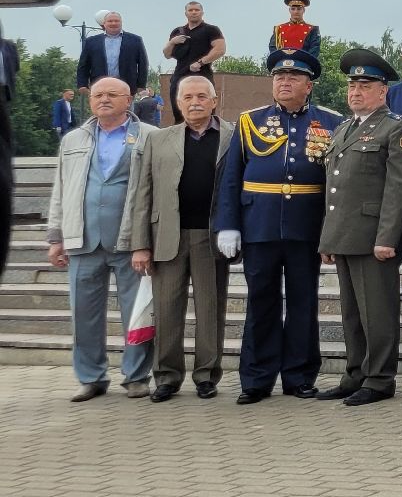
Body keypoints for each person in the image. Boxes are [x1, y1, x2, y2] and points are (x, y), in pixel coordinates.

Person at [211, 49, 339, 403]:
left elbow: (335, 183)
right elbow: (231, 178)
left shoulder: (330, 122)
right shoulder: (250, 121)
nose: (284, 82)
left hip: (305, 226)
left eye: (293, 78)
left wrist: (332, 230)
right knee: (261, 302)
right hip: (260, 225)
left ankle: (299, 376)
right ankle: (256, 378)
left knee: (303, 303)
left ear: (308, 85)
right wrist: (228, 225)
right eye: (279, 77)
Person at [119, 74, 232, 402]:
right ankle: (167, 377)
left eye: (201, 96)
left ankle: (206, 375)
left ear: (214, 101)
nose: (195, 102)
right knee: (167, 310)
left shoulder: (233, 136)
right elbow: (142, 193)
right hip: (166, 236)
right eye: (188, 97)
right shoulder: (158, 140)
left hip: (211, 238)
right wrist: (139, 244)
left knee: (211, 309)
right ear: (177, 103)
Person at [316, 49, 402, 406]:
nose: (356, 92)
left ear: (382, 90)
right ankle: (355, 372)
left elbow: (399, 188)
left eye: (365, 85)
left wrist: (388, 237)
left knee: (377, 311)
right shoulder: (344, 127)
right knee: (352, 312)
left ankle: (379, 378)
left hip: (374, 235)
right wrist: (328, 236)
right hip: (344, 234)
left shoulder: (396, 127)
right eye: (352, 86)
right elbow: (334, 187)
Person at [46, 77, 155, 400]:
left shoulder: (150, 137)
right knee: (83, 314)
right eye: (98, 95)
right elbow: (60, 189)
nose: (103, 100)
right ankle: (91, 377)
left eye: (112, 95)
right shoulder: (73, 139)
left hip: (130, 241)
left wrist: (147, 239)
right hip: (83, 238)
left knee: (136, 312)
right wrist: (56, 236)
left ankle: (136, 376)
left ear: (128, 100)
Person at [161, 1, 226, 117]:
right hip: (180, 76)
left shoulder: (211, 30)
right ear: (186, 13)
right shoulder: (178, 31)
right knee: (179, 113)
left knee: (205, 112)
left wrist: (201, 62)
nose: (194, 12)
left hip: (202, 75)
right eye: (190, 10)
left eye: (197, 10)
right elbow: (167, 54)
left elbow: (220, 49)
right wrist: (172, 42)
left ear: (202, 12)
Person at [75, 11, 149, 91]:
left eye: (116, 21)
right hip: (99, 87)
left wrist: (141, 85)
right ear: (104, 23)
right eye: (110, 21)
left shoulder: (135, 40)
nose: (113, 23)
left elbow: (143, 64)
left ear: (121, 23)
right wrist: (82, 84)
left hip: (126, 87)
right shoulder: (91, 41)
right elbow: (83, 65)